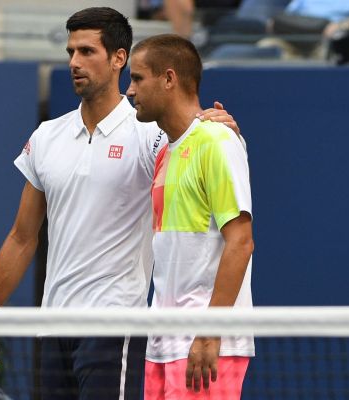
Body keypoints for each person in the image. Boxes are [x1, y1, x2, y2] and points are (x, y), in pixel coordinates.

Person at [0, 7, 241, 400]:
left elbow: (195, 141)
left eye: (87, 51)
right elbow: (22, 237)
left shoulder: (151, 135)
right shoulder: (47, 136)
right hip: (52, 329)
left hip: (114, 327)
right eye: (71, 52)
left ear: (119, 59)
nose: (74, 62)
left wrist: (217, 127)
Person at [126, 34, 254, 399]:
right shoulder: (165, 152)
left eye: (137, 78)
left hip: (206, 342)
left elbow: (241, 242)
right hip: (163, 343)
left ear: (169, 78)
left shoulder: (217, 141)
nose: (130, 91)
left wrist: (210, 331)